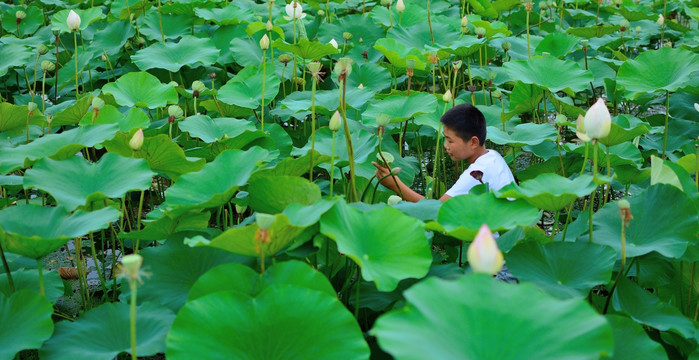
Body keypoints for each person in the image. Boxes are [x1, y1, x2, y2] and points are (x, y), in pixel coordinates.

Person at [372, 103, 515, 202]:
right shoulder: (493, 155)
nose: (446, 146)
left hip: (496, 243)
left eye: (450, 141)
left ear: (473, 142)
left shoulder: (476, 174)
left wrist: (395, 185)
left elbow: (438, 211)